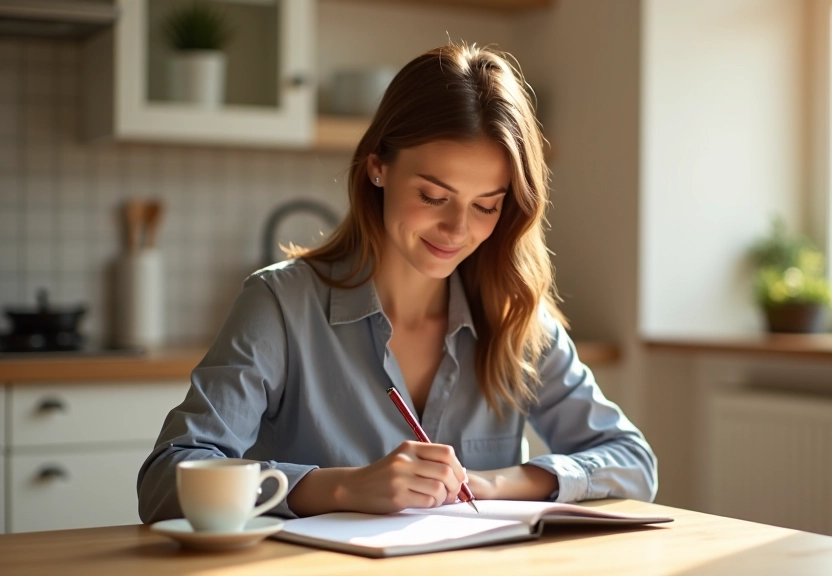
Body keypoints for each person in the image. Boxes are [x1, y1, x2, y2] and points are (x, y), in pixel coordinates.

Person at [137, 43, 657, 522]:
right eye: (434, 197)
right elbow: (165, 482)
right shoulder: (280, 305)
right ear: (377, 168)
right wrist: (341, 489)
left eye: (486, 206)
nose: (458, 230)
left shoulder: (514, 314)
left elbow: (634, 463)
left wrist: (492, 484)